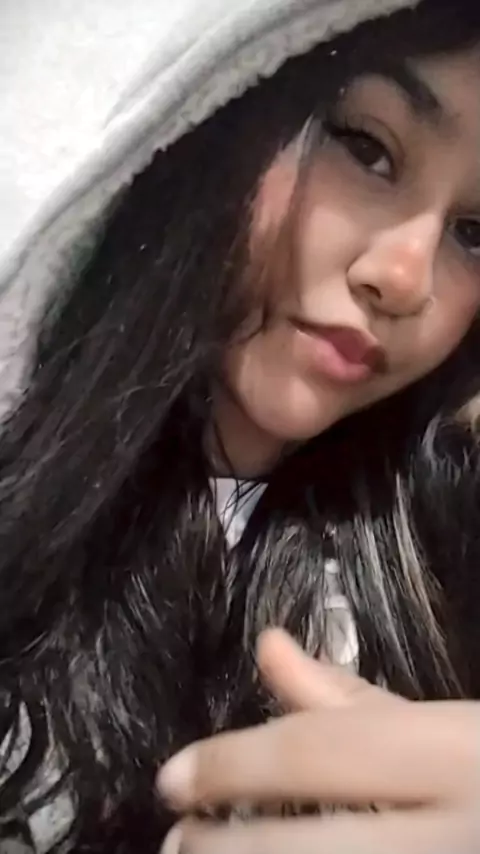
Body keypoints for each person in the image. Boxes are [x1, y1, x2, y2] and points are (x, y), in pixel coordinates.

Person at [1, 0, 480, 851]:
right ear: (216, 114)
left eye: (475, 234)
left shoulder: (447, 559)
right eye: (366, 147)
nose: (405, 277)